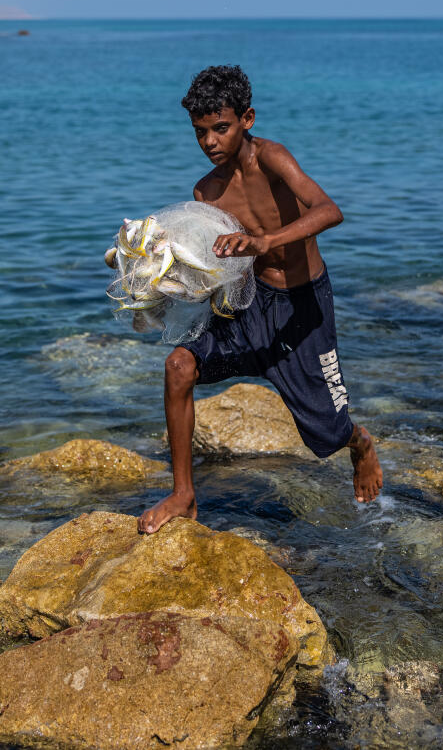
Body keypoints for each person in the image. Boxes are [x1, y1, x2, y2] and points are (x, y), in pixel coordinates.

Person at [137, 65, 382, 534]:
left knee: (325, 437)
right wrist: (158, 270)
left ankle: (361, 442)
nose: (210, 141)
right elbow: (214, 260)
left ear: (247, 118)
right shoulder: (205, 192)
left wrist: (267, 241)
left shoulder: (272, 159)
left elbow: (329, 210)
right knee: (178, 367)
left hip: (303, 309)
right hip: (250, 304)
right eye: (200, 132)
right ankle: (184, 494)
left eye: (220, 128)